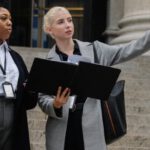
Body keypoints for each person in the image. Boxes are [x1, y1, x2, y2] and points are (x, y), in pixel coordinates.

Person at [38, 6, 150, 150]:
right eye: (60, 22)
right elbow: (42, 99)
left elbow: (127, 50)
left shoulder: (95, 50)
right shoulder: (48, 62)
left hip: (91, 129)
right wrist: (55, 104)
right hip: (61, 132)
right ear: (49, 30)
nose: (68, 25)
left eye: (70, 20)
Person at [0, 6, 37, 150]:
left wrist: (31, 88)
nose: (9, 22)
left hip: (12, 110)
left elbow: (28, 97)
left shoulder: (15, 57)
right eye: (3, 19)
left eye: (10, 19)